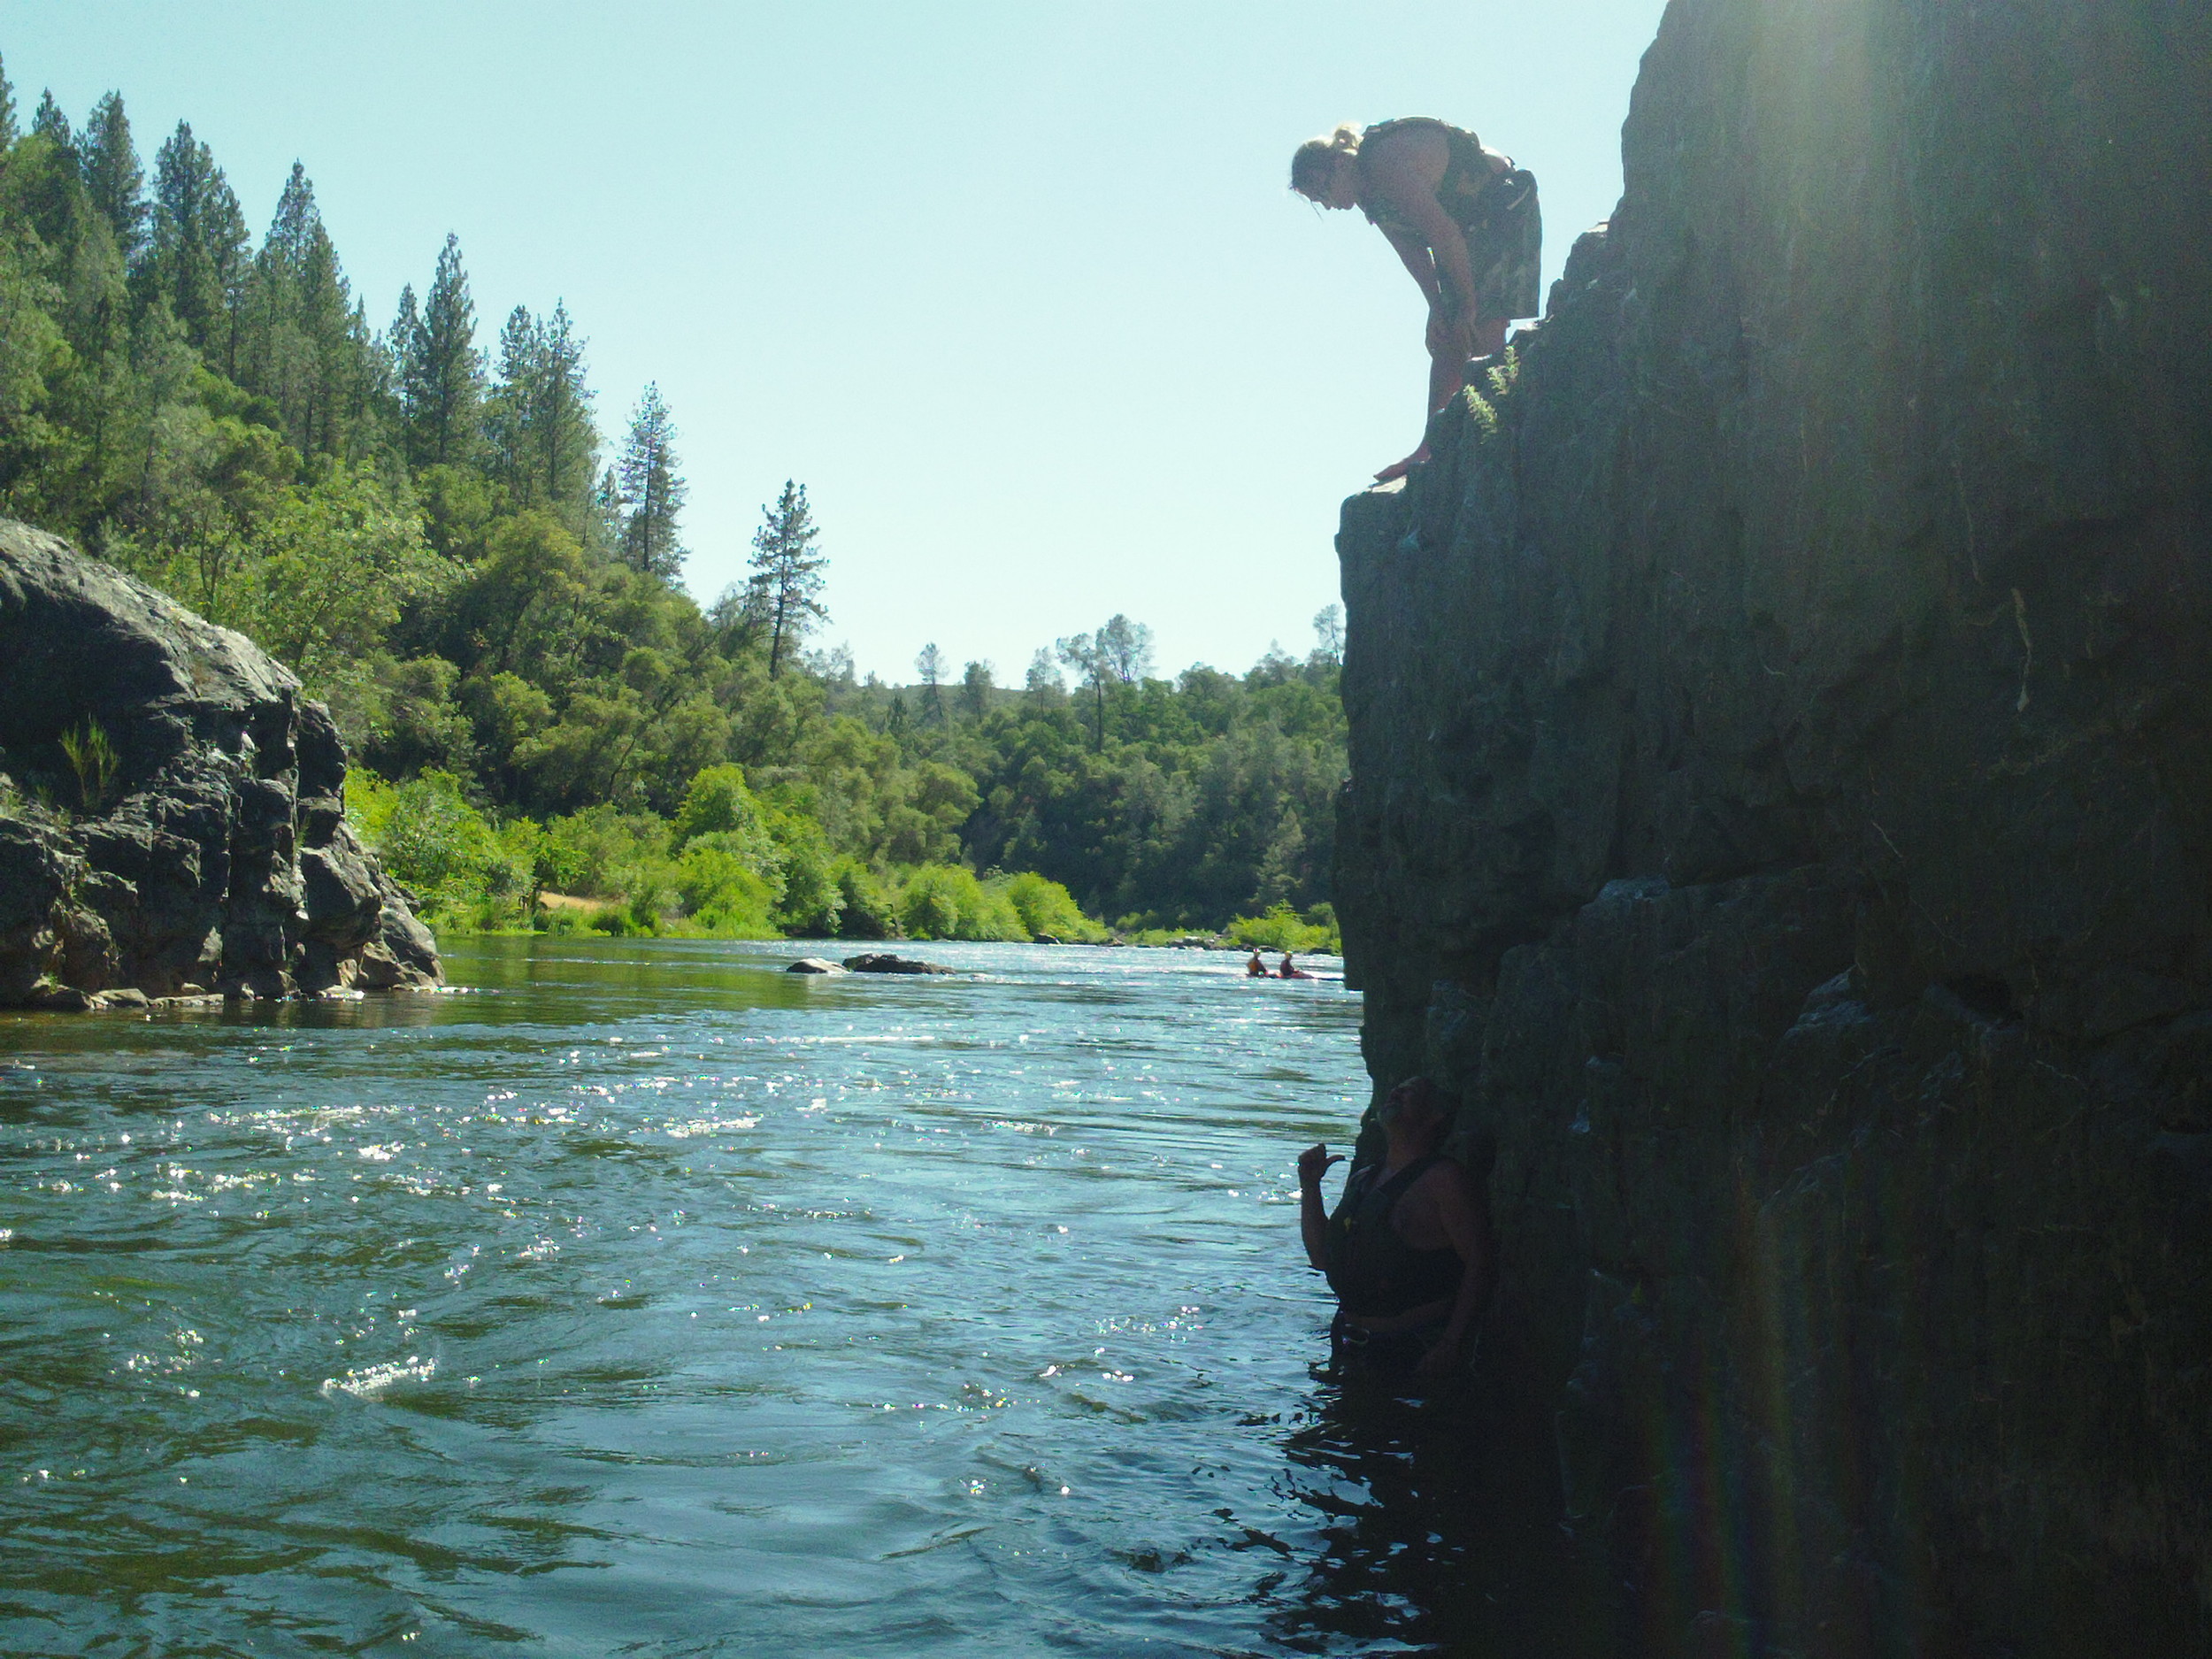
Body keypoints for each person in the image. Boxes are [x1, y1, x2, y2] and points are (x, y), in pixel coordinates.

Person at [1289, 119, 1542, 482]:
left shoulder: (1386, 167)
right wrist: (1436, 308)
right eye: (1319, 202)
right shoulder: (1368, 193)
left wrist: (1468, 306)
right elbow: (1412, 250)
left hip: (1502, 205)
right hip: (1464, 225)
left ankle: (1493, 435)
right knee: (1447, 339)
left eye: (1323, 193)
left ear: (1341, 164)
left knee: (1482, 328)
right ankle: (1431, 448)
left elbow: (1442, 232)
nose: (1327, 206)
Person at [1298, 1076, 1493, 1384]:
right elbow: (1323, 1258)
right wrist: (1310, 1188)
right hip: (1350, 1345)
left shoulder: (1444, 1181)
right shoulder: (1362, 1179)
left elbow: (1481, 1264)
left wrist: (1451, 1343)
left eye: (1409, 1092)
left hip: (1413, 1350)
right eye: (1395, 1089)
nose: (1396, 1093)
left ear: (1434, 1116)